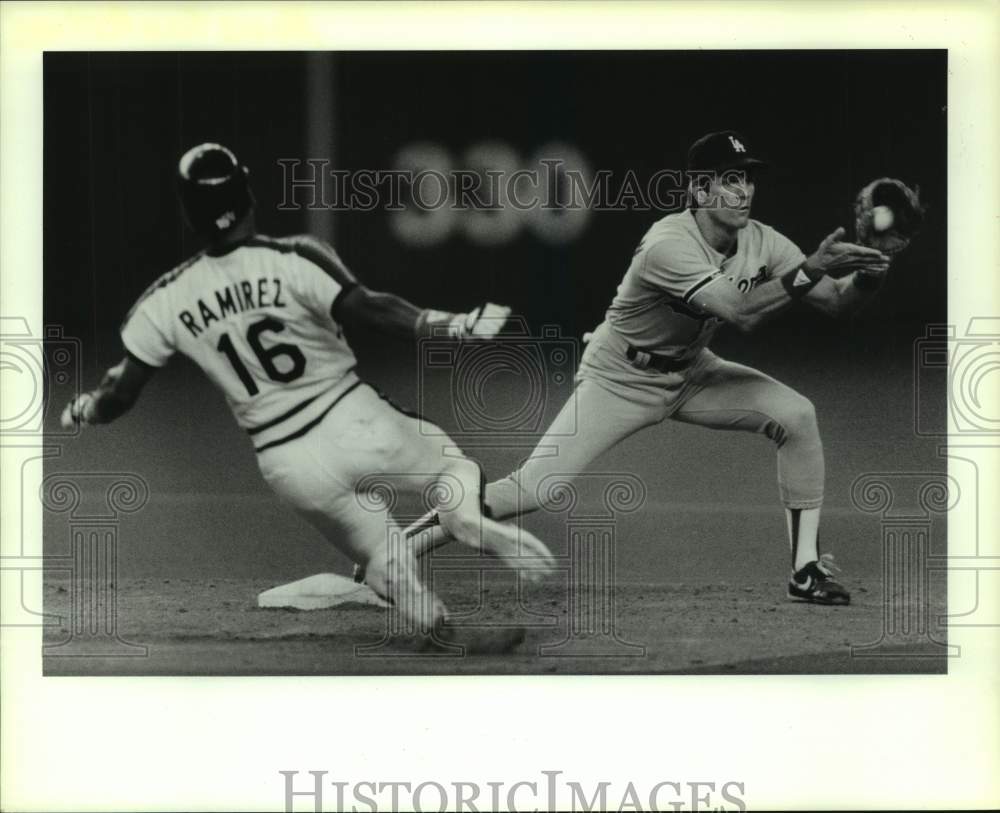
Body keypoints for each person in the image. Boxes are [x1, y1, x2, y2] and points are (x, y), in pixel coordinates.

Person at [61, 142, 555, 650]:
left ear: (189, 216)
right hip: (348, 415)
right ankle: (465, 517)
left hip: (286, 462)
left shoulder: (165, 299)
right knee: (454, 470)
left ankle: (439, 627)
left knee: (383, 557)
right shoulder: (293, 257)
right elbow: (371, 309)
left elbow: (121, 392)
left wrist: (88, 407)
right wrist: (451, 324)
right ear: (248, 196)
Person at [407, 130, 892, 606]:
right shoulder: (669, 243)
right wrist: (812, 267)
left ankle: (805, 572)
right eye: (729, 180)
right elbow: (742, 312)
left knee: (797, 415)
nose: (744, 190)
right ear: (698, 190)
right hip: (620, 376)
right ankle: (396, 550)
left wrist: (874, 267)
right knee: (537, 488)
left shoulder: (762, 241)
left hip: (691, 372)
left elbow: (837, 304)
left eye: (748, 179)